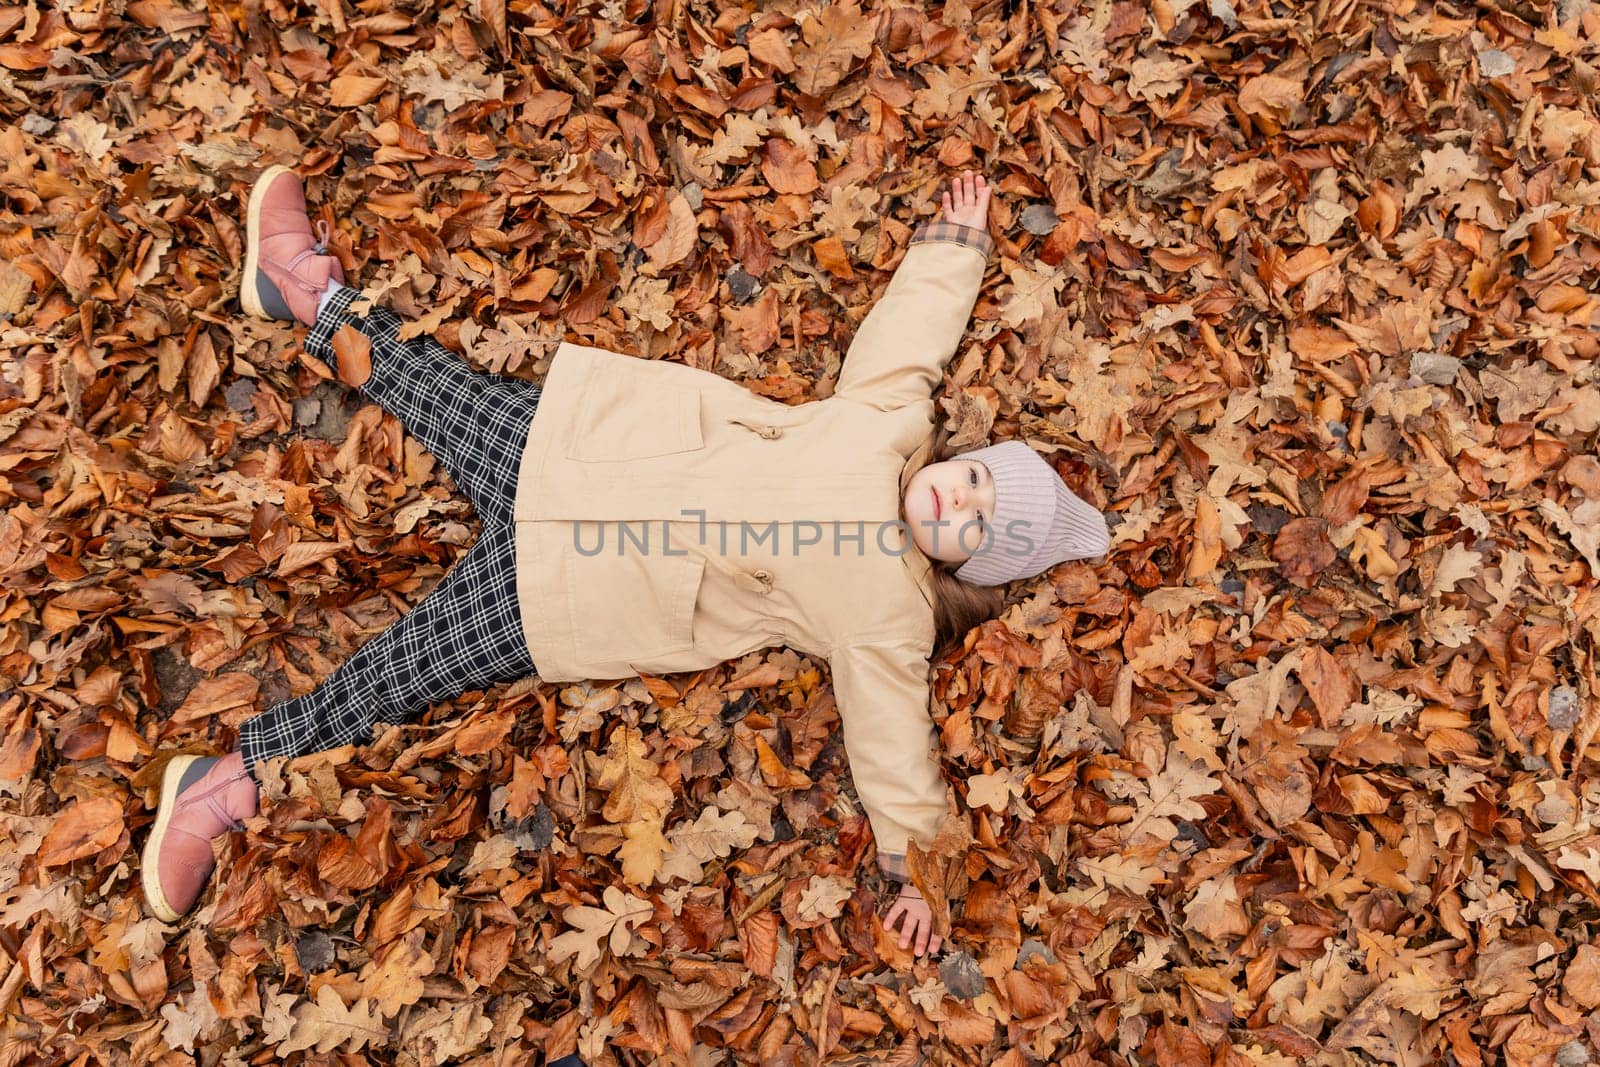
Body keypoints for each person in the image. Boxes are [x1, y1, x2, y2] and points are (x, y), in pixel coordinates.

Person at [139, 165, 1110, 961]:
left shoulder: (887, 612)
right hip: (575, 449)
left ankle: (231, 780)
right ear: (958, 458)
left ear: (962, 571)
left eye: (976, 528)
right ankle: (300, 283)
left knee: (401, 674)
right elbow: (910, 342)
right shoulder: (889, 422)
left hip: (572, 587)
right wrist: (953, 250)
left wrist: (913, 866)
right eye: (975, 482)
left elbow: (893, 742)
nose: (957, 503)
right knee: (425, 378)